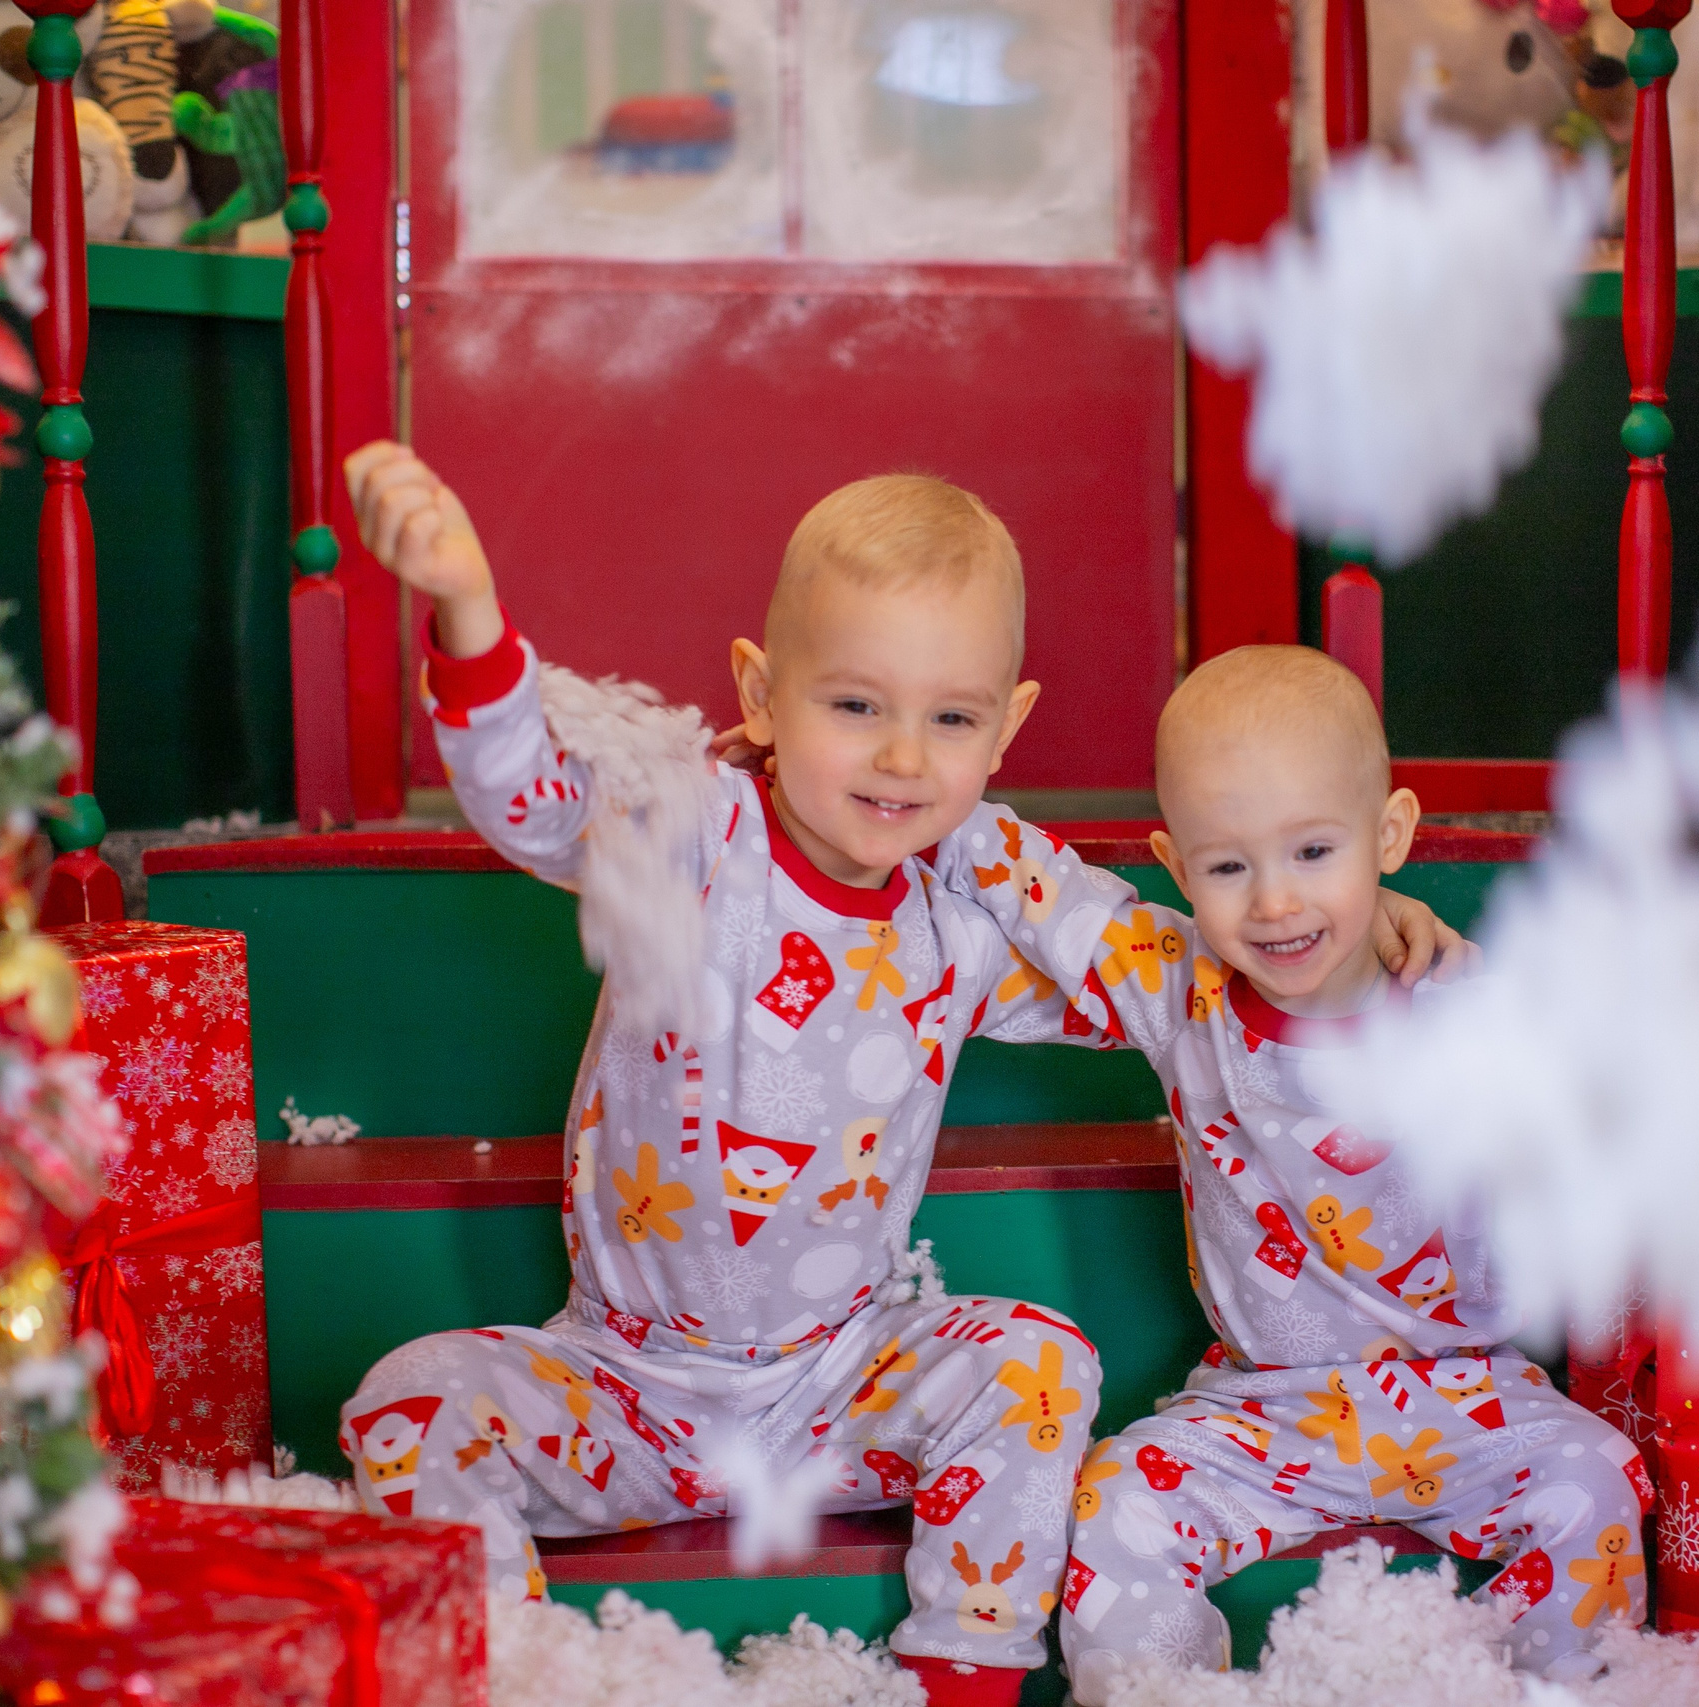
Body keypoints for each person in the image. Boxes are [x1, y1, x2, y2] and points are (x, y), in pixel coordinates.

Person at [333, 446, 1467, 1707]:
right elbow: (535, 801)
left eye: (951, 718)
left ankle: (957, 1678)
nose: (902, 759)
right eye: (855, 706)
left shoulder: (956, 922)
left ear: (1006, 730)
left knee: (1037, 1361)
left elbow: (1175, 980)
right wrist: (470, 616)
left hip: (838, 1385)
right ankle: (519, 1671)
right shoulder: (696, 837)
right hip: (627, 1382)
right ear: (762, 696)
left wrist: (1355, 919)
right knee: (410, 1401)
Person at [941, 645, 1649, 1702]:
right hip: (1264, 1405)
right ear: (1176, 871)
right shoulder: (1182, 989)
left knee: (1596, 1484)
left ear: (1389, 837)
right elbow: (1039, 888)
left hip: (1466, 1397)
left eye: (1314, 851)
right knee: (1113, 1506)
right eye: (1227, 867)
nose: (1274, 902)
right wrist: (887, 791)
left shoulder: (1466, 1009)